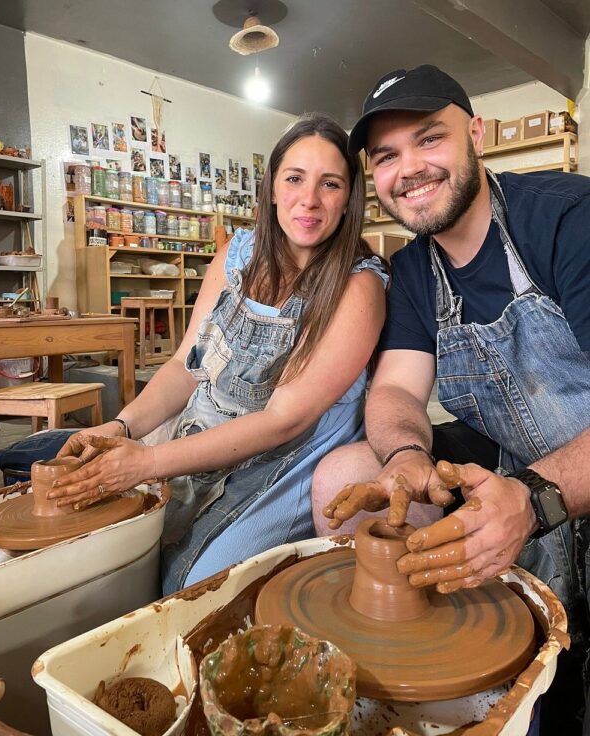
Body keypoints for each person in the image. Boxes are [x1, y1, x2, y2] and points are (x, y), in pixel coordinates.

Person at [311, 66, 590, 734]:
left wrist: (535, 498)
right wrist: (405, 458)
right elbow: (397, 391)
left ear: (476, 135)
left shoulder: (564, 217)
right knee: (347, 474)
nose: (410, 169)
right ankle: (400, 665)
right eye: (386, 157)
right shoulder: (411, 270)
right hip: (517, 461)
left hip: (559, 477)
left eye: (429, 140)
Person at [42, 113, 388, 594]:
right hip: (206, 433)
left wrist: (147, 462)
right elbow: (186, 366)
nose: (309, 200)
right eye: (294, 179)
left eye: (330, 184)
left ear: (349, 199)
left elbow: (283, 421)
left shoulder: (359, 284)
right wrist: (121, 428)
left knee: (193, 586)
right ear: (270, 188)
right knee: (114, 550)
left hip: (286, 456)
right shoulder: (238, 254)